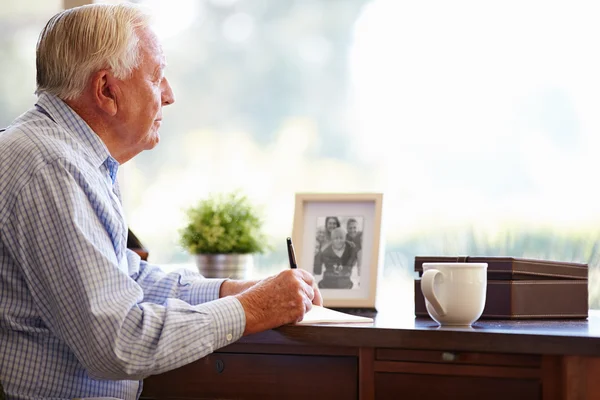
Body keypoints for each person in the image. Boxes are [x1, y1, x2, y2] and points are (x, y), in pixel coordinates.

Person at [0, 4, 321, 399]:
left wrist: (233, 290)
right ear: (106, 90)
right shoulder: (50, 166)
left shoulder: (68, 157)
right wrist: (252, 309)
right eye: (156, 77)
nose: (169, 95)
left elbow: (127, 277)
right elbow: (118, 342)